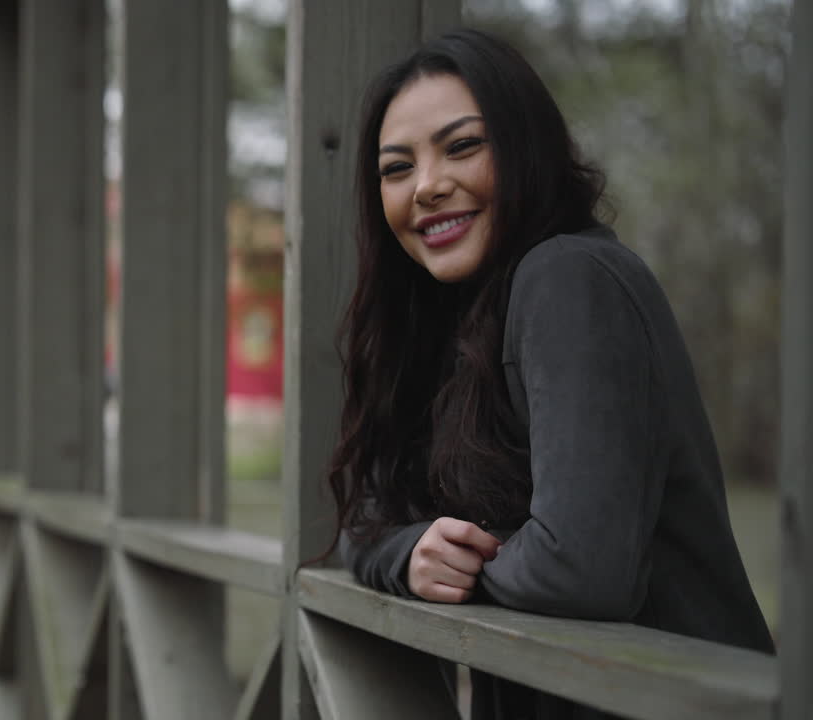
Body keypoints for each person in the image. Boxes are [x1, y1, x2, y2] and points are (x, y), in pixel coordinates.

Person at [329, 28, 774, 719]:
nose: (428, 186)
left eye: (463, 146)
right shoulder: (461, 323)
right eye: (396, 168)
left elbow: (580, 569)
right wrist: (410, 552)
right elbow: (364, 521)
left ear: (525, 146)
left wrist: (465, 564)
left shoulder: (568, 276)